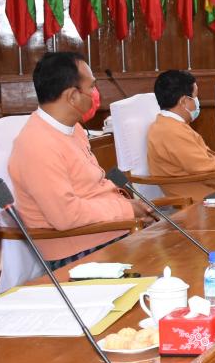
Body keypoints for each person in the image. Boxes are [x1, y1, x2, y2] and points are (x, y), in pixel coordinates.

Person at [8, 51, 150, 267]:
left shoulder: (74, 129)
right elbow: (66, 215)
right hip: (80, 251)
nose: (95, 93)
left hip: (113, 232)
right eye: (91, 87)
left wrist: (128, 207)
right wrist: (126, 210)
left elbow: (93, 188)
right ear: (72, 96)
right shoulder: (36, 145)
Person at [147, 69, 215, 204]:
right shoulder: (171, 132)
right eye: (195, 97)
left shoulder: (169, 125)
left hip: (208, 190)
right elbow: (210, 172)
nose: (197, 102)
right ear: (184, 101)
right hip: (199, 200)